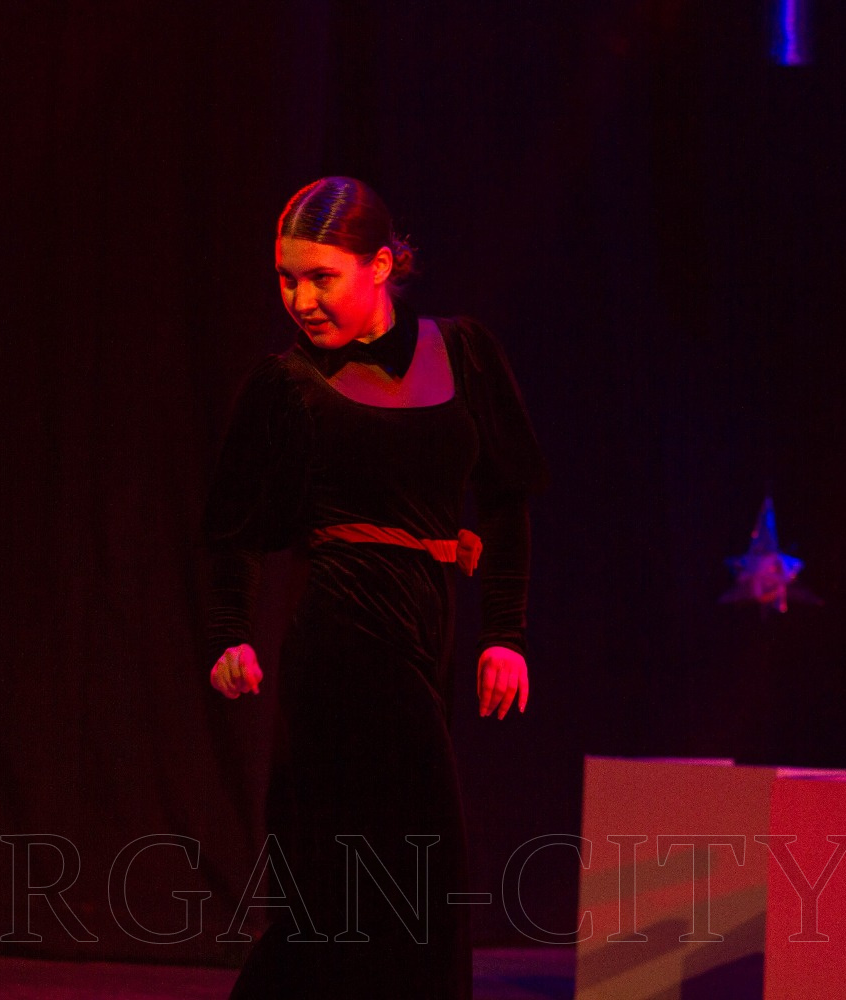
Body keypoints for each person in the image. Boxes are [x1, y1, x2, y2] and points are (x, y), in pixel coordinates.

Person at [203, 176, 547, 998]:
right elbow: (234, 526)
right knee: (413, 867)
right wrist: (229, 632)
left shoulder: (464, 353)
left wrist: (505, 634)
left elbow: (508, 500)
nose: (301, 300)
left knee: (356, 888)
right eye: (287, 279)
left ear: (381, 265)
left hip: (427, 633)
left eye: (321, 277)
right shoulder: (286, 386)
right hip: (341, 640)